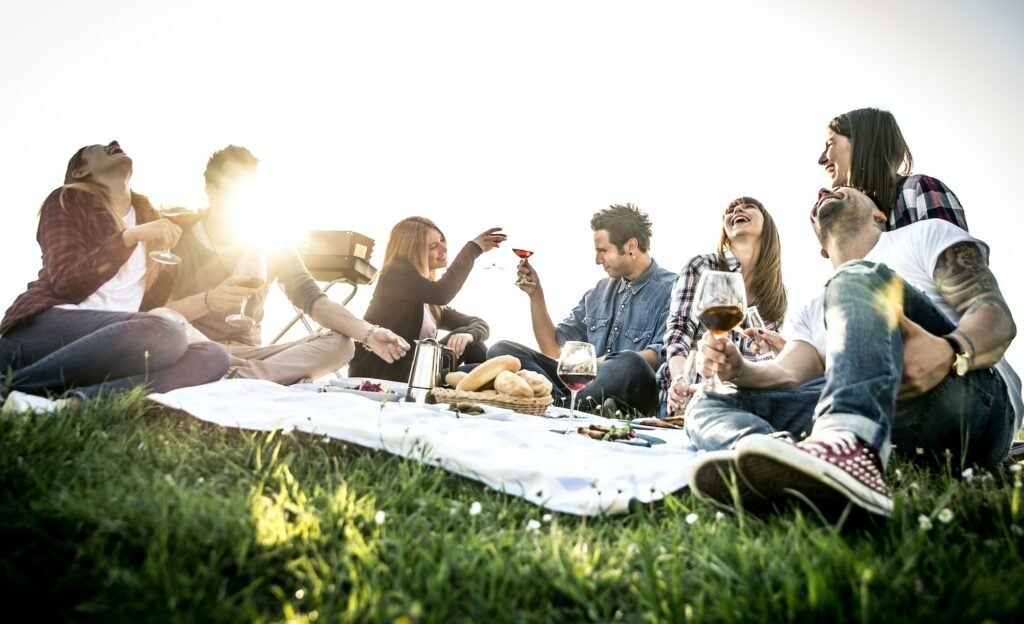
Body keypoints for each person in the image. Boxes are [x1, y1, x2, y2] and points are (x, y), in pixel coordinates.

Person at [686, 186, 1018, 518]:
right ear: (821, 250)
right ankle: (779, 466)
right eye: (818, 196)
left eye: (842, 189)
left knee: (857, 277)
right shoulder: (813, 309)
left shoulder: (924, 236)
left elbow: (996, 317)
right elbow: (786, 374)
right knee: (709, 399)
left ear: (880, 216)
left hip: (965, 401)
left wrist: (950, 350)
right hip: (880, 429)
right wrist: (739, 369)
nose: (822, 190)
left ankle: (845, 447)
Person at [0, 141, 230, 399]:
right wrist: (127, 238)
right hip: (40, 331)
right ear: (80, 172)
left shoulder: (148, 217)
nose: (115, 144)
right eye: (100, 147)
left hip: (113, 344)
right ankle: (9, 386)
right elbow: (65, 281)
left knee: (214, 356)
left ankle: (75, 403)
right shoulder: (66, 199)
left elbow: (204, 217)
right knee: (165, 332)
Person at [166, 146, 408, 384]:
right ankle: (254, 377)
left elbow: (315, 302)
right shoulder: (177, 235)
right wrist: (209, 300)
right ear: (212, 192)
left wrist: (370, 334)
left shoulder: (271, 242)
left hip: (248, 353)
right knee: (163, 329)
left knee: (341, 345)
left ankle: (237, 377)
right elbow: (152, 313)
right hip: (192, 345)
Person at [488, 203, 677, 416]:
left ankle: (556, 406)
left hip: (631, 389)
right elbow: (553, 348)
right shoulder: (597, 293)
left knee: (629, 362)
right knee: (501, 351)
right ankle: (561, 404)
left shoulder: (673, 289)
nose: (598, 260)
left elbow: (662, 355)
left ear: (630, 246)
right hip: (583, 386)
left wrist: (592, 365)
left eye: (603, 251)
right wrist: (536, 295)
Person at [659, 197, 787, 415]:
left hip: (743, 398)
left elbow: (764, 361)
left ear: (766, 224)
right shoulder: (702, 267)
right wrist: (680, 380)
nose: (737, 209)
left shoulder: (775, 294)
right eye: (730, 210)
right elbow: (679, 330)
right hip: (691, 389)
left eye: (748, 206)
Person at [348, 217, 504, 383]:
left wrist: (470, 335)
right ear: (413, 252)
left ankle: (480, 396)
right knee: (497, 370)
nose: (444, 248)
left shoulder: (427, 300)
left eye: (442, 241)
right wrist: (474, 249)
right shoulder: (394, 274)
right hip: (385, 378)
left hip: (417, 373)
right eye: (433, 246)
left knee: (471, 342)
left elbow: (477, 322)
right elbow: (442, 293)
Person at [818, 107, 968, 231]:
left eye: (830, 144)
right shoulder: (854, 220)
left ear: (861, 145)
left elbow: (958, 265)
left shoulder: (917, 191)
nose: (821, 159)